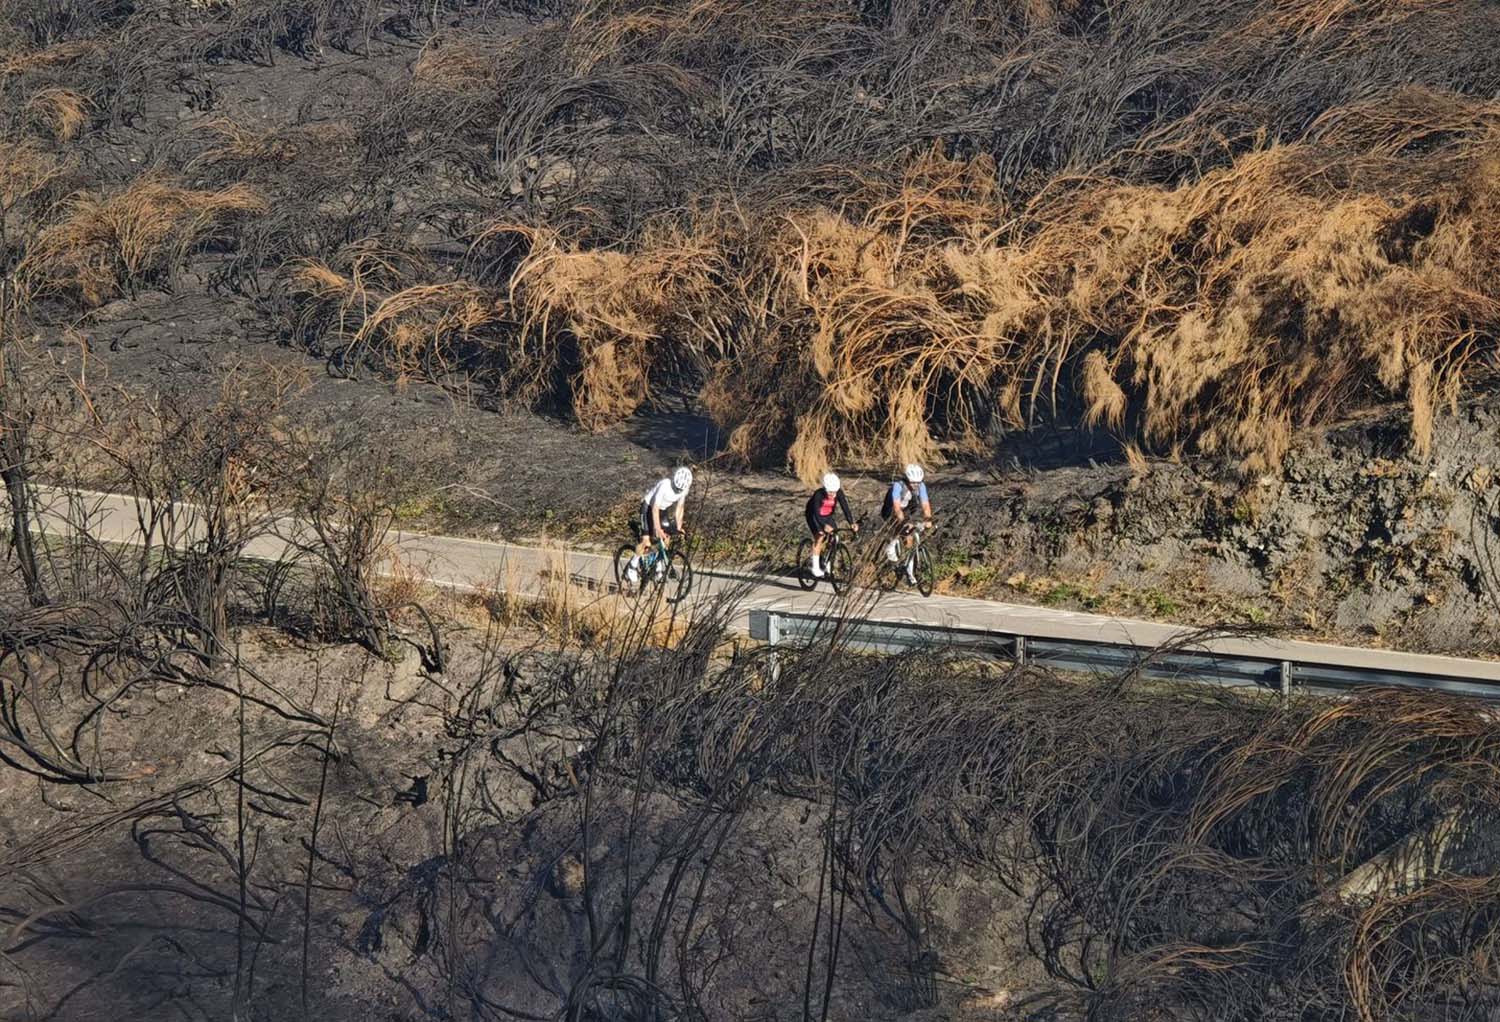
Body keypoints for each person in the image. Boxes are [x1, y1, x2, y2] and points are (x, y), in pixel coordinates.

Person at [625, 466, 693, 585]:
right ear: (673, 481)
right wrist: (657, 528)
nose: (677, 491)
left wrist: (678, 527)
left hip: (663, 510)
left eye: (679, 490)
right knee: (647, 542)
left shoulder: (684, 489)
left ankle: (658, 569)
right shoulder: (664, 485)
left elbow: (679, 508)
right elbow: (654, 508)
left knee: (666, 540)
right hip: (648, 507)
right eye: (676, 488)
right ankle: (632, 565)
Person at [881, 463, 932, 584]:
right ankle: (891, 546)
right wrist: (903, 521)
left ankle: (909, 571)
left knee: (909, 540)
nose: (916, 485)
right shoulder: (898, 486)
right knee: (900, 526)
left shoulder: (921, 486)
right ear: (907, 480)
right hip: (891, 509)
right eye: (913, 483)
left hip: (907, 509)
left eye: (918, 483)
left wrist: (928, 519)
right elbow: (897, 508)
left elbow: (925, 505)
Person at [805, 472, 858, 578]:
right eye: (830, 492)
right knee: (820, 536)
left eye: (834, 492)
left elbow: (845, 508)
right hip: (814, 516)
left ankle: (827, 561)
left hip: (827, 516)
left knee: (835, 538)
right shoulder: (818, 494)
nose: (832, 494)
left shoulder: (838, 493)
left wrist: (851, 522)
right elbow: (816, 512)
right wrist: (823, 525)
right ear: (825, 489)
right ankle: (815, 567)